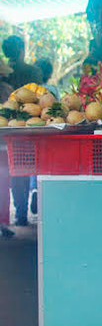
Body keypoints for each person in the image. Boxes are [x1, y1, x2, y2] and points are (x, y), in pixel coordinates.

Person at [2, 36, 41, 226]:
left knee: (13, 172)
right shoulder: (33, 71)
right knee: (28, 169)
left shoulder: (8, 77)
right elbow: (40, 99)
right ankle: (26, 209)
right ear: (21, 49)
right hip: (28, 128)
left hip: (8, 131)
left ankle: (18, 214)